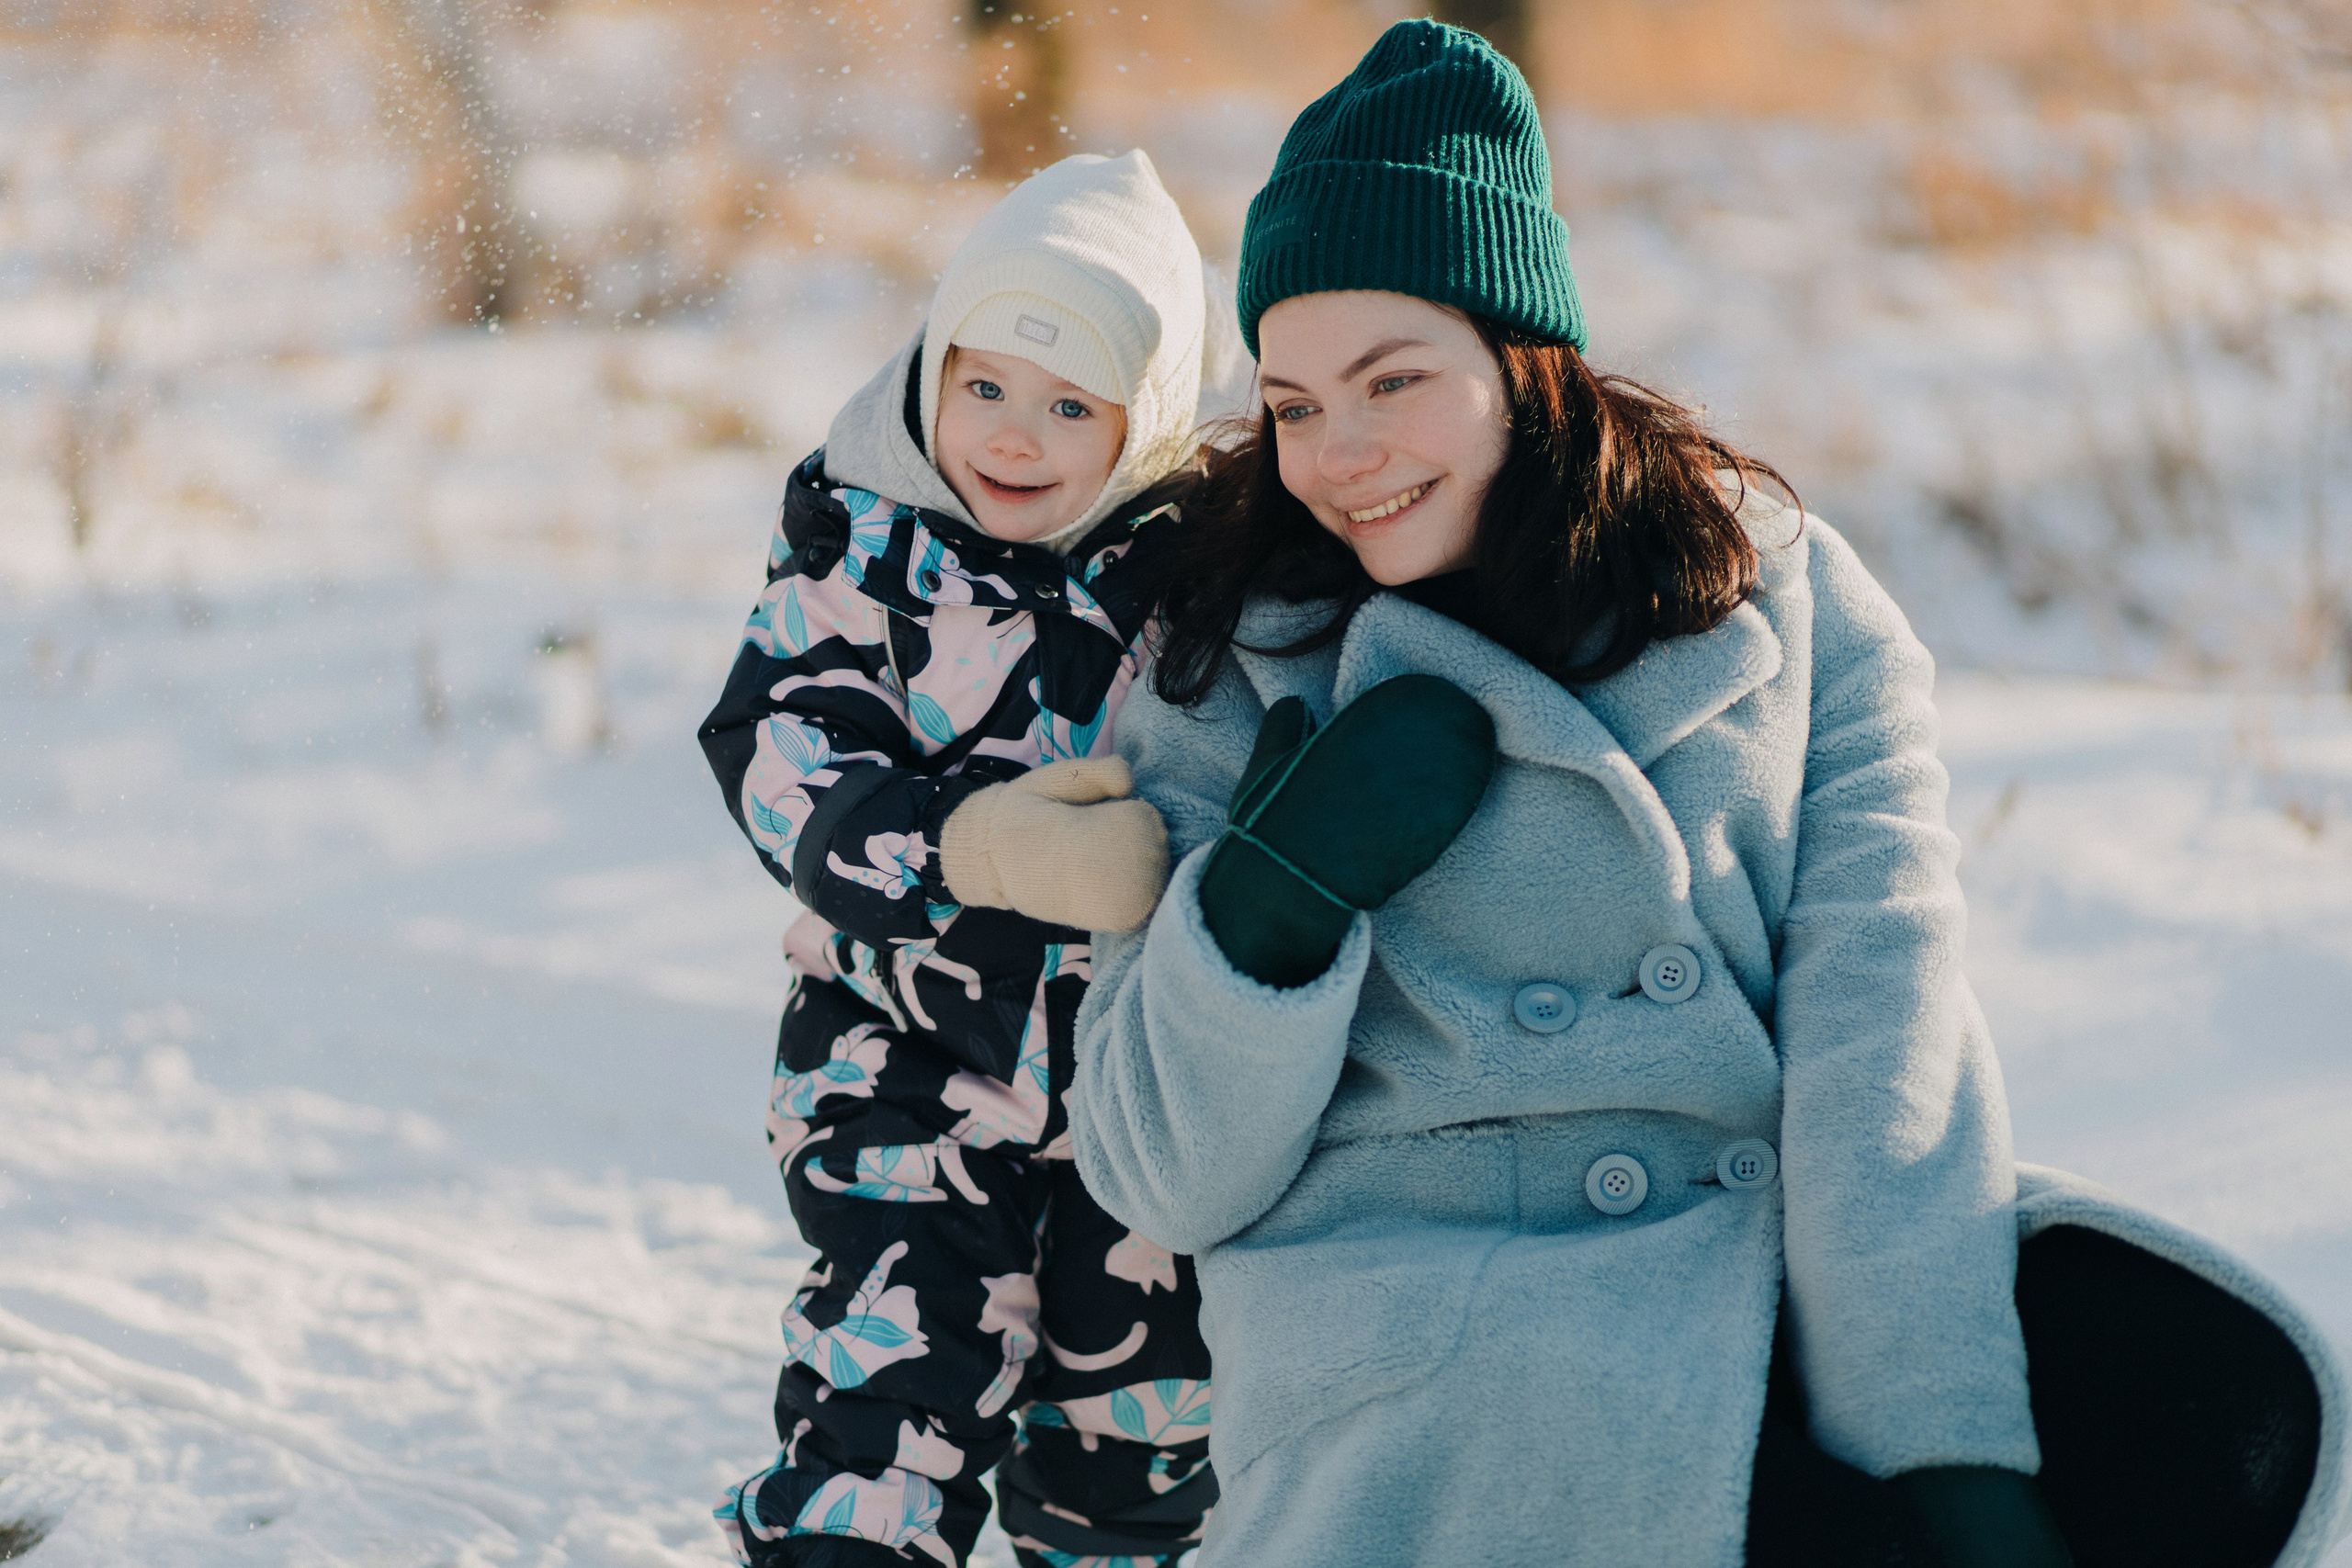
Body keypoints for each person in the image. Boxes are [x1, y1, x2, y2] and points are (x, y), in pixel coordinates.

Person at [1070, 22, 2345, 1568]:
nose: (1338, 456)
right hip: (1437, 1316)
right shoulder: (1233, 658)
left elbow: (1887, 1039)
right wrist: (1274, 908)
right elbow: (1157, 1173)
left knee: (2214, 1409)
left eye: (1390, 379)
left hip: (1766, 1259)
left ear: (1518, 354)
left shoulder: (1783, 599)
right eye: (1292, 402)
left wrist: (1943, 1439)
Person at [699, 150, 1240, 1568]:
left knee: (1137, 1441)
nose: (1012, 434)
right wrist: (960, 847)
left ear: (1152, 417)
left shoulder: (1211, 567)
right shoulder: (865, 547)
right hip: (905, 1074)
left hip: (1143, 1092)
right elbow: (774, 750)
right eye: (984, 383)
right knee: (890, 1396)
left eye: (1072, 405)